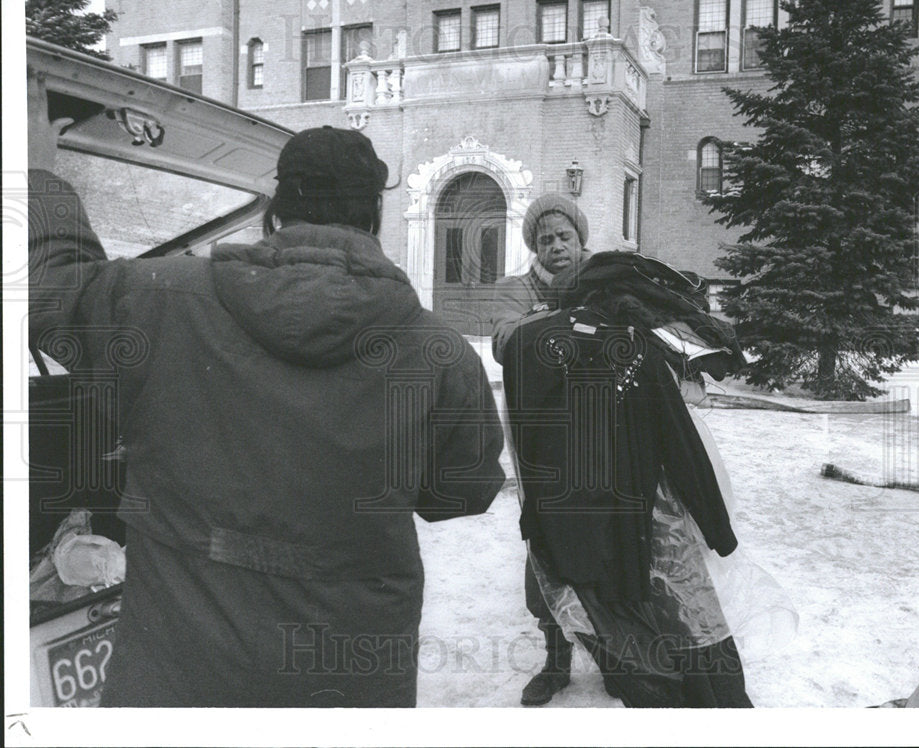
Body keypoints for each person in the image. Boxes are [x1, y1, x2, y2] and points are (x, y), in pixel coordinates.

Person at [27, 71, 506, 707]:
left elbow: (49, 294)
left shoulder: (159, 302)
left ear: (276, 210)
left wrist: (38, 175)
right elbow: (461, 495)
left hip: (181, 675)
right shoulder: (439, 351)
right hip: (350, 681)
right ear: (375, 215)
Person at [502, 251, 760, 707]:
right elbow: (681, 445)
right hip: (634, 517)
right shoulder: (634, 348)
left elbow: (526, 448)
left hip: (567, 519)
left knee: (612, 613)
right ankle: (682, 695)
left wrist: (534, 519)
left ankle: (645, 684)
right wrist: (718, 530)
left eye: (564, 235)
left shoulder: (535, 345)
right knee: (670, 607)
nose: (556, 244)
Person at [490, 192, 588, 706]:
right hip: (541, 440)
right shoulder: (514, 289)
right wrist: (569, 322)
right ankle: (556, 663)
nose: (555, 246)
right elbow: (505, 341)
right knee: (546, 545)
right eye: (544, 239)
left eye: (563, 236)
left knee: (611, 541)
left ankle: (616, 654)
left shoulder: (604, 279)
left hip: (602, 436)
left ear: (580, 239)